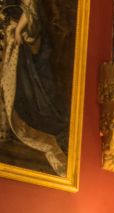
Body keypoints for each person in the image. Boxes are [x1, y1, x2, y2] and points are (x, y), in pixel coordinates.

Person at [0, 0, 69, 175]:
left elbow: (28, 8)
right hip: (6, 31)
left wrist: (17, 30)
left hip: (12, 37)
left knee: (14, 86)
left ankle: (6, 128)